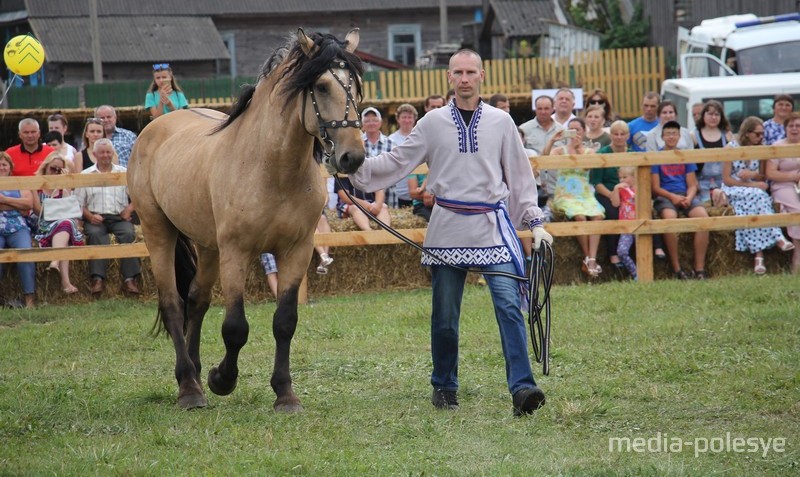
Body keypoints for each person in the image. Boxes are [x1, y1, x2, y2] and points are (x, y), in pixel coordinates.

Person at [347, 49, 552, 416]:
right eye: (458, 72)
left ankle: (522, 388)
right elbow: (397, 162)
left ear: (482, 75)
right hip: (447, 226)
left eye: (471, 71)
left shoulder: (502, 122)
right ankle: (444, 385)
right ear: (448, 77)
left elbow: (520, 176)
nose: (464, 79)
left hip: (492, 225)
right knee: (444, 315)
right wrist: (355, 166)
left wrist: (534, 222)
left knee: (508, 306)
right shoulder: (431, 123)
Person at [723, 117, 794, 275]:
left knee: (757, 201)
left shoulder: (761, 149)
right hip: (735, 187)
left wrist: (753, 175)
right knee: (758, 195)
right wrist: (751, 184)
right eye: (757, 134)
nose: (761, 137)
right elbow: (727, 179)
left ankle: (759, 256)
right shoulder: (731, 148)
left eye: (762, 134)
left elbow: (762, 177)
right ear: (747, 133)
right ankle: (777, 236)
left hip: (753, 190)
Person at [75, 139, 141, 297]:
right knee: (96, 235)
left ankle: (130, 280)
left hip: (119, 217)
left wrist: (129, 210)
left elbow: (138, 196)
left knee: (128, 235)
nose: (105, 155)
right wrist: (89, 216)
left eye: (108, 152)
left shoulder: (124, 172)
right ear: (95, 154)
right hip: (95, 218)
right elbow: (77, 203)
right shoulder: (85, 175)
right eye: (102, 152)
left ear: (113, 154)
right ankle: (97, 279)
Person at [547, 117, 605, 277]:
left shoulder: (589, 151)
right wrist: (553, 140)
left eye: (577, 130)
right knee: (580, 217)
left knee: (598, 216)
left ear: (584, 132)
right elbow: (544, 161)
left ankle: (592, 258)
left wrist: (579, 149)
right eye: (571, 130)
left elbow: (588, 166)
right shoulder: (560, 150)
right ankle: (588, 258)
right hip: (565, 194)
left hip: (585, 194)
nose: (574, 134)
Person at [651, 121, 709, 280]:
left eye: (674, 133)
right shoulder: (657, 157)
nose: (671, 136)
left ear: (679, 136)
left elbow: (693, 184)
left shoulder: (685, 156)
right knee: (670, 220)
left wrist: (689, 197)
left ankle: (699, 269)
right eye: (668, 133)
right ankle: (677, 269)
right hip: (666, 196)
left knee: (704, 219)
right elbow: (655, 188)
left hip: (685, 194)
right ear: (662, 137)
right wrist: (673, 197)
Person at [31, 153, 85, 294]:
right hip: (44, 222)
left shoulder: (63, 186)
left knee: (65, 223)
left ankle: (55, 261)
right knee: (64, 231)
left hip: (63, 221)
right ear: (45, 167)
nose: (55, 172)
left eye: (59, 170)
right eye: (53, 169)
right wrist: (51, 200)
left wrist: (64, 182)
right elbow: (37, 210)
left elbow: (69, 207)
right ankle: (65, 283)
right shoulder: (35, 184)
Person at [0, 152, 36, 308]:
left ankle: (29, 298)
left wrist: (4, 200)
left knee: (25, 252)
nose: (1, 167)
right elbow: (22, 205)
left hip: (18, 226)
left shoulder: (19, 182)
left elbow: (28, 204)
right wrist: (16, 204)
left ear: (10, 167)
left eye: (4, 164)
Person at [766, 112, 800, 273]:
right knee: (798, 212)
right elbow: (771, 173)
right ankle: (797, 255)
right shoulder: (778, 147)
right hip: (783, 185)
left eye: (798, 126)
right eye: (791, 126)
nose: (794, 129)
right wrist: (794, 176)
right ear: (785, 128)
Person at [519, 95, 563, 208]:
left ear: (553, 109)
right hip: (533, 185)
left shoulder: (562, 130)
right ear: (535, 109)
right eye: (540, 108)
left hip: (558, 184)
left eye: (546, 108)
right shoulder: (524, 129)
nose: (543, 112)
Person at [692, 100, 734, 204]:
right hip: (701, 183)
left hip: (724, 182)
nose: (713, 117)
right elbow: (689, 165)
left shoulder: (727, 135)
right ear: (703, 115)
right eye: (710, 114)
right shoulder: (694, 135)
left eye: (717, 114)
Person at [360, 107, 397, 208]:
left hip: (389, 193)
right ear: (362, 124)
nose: (371, 123)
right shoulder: (357, 144)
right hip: (364, 196)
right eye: (367, 121)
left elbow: (395, 168)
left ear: (380, 123)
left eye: (375, 120)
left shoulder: (391, 143)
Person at [388, 103, 417, 208]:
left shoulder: (420, 136)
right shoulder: (391, 140)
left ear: (414, 119)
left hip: (418, 191)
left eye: (410, 117)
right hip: (398, 190)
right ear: (398, 119)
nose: (407, 120)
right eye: (404, 117)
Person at [611, 166, 637, 280]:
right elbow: (615, 204)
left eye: (625, 177)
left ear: (634, 177)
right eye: (620, 178)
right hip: (626, 226)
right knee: (621, 251)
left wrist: (631, 191)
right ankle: (636, 273)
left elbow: (641, 202)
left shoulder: (640, 188)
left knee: (642, 250)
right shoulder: (620, 190)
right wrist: (616, 189)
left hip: (639, 225)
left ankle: (646, 273)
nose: (621, 180)